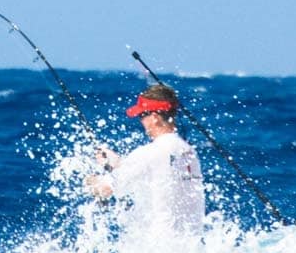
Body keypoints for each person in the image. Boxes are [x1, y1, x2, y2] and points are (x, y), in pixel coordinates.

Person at [86, 84, 206, 240]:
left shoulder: (149, 153)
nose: (141, 120)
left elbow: (104, 189)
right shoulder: (188, 151)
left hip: (157, 252)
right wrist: (116, 164)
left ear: (155, 117)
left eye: (142, 115)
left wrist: (89, 181)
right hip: (191, 249)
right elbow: (160, 173)